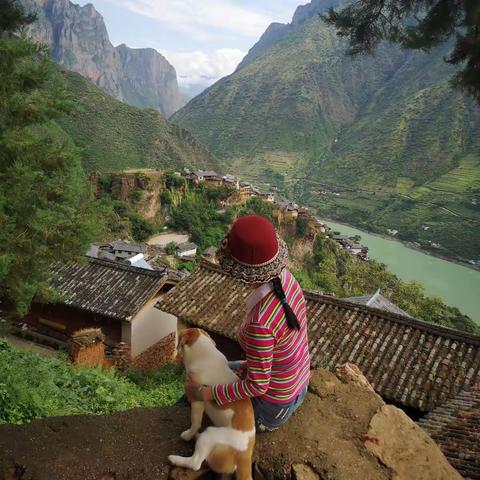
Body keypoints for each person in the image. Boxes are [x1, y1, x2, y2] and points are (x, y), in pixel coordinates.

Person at [185, 215, 311, 432]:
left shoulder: (260, 324)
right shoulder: (288, 280)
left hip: (271, 408)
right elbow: (283, 345)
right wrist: (249, 366)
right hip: (298, 384)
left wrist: (206, 394)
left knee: (197, 389)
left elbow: (258, 386)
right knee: (213, 371)